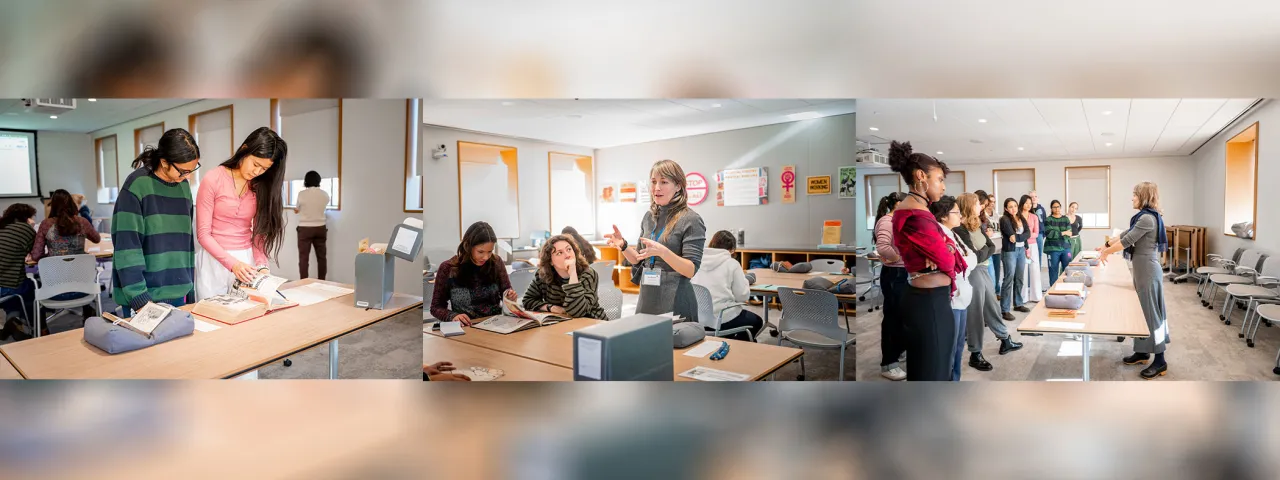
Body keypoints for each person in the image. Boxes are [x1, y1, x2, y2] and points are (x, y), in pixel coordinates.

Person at [888, 141, 965, 381]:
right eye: (940, 179)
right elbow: (948, 259)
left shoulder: (921, 211)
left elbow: (947, 250)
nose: (943, 186)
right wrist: (944, 251)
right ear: (921, 176)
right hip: (928, 302)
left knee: (934, 366)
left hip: (931, 299)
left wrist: (945, 249)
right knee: (932, 371)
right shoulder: (916, 214)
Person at [605, 159, 707, 323]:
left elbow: (690, 270)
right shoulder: (649, 217)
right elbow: (638, 258)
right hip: (648, 296)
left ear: (678, 186)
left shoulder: (691, 219)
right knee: (644, 344)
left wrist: (663, 252)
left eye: (664, 182)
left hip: (676, 298)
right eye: (653, 182)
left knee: (675, 347)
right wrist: (623, 245)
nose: (657, 188)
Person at [112, 128, 201, 316]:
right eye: (184, 171)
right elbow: (127, 247)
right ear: (164, 162)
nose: (189, 176)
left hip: (178, 292)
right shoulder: (137, 185)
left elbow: (185, 242)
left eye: (193, 169)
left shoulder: (183, 186)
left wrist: (189, 289)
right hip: (144, 298)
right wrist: (140, 299)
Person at [195, 127, 288, 301]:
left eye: (264, 169)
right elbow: (203, 234)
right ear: (245, 149)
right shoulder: (213, 178)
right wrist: (233, 265)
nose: (257, 172)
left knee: (246, 317)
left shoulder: (260, 186)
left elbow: (259, 232)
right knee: (212, 318)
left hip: (246, 260)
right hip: (213, 260)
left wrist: (261, 265)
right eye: (255, 164)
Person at [1095, 182, 1169, 379]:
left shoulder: (1147, 218)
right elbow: (1126, 234)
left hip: (1148, 271)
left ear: (1143, 197)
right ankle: (1143, 352)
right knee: (1141, 313)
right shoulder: (1144, 216)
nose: (1132, 198)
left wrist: (1106, 252)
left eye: (1135, 195)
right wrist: (1106, 244)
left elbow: (1128, 241)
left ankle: (1160, 360)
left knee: (1152, 315)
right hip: (1142, 268)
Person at [952, 193, 1021, 371]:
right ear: (968, 206)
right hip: (973, 272)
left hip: (983, 269)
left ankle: (1005, 340)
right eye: (976, 203)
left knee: (992, 306)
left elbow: (991, 246)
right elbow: (973, 256)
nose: (980, 206)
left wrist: (982, 251)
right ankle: (975, 354)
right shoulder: (959, 229)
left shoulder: (977, 224)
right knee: (975, 312)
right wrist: (983, 251)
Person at [31, 189, 104, 317]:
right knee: (80, 270)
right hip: (84, 289)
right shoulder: (82, 222)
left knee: (34, 284)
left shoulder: (45, 225)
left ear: (53, 205)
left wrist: (51, 258)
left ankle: (42, 329)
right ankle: (88, 314)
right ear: (71, 203)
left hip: (53, 290)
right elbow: (96, 239)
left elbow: (36, 255)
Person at [430, 221, 517, 325]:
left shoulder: (496, 262)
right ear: (468, 247)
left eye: (490, 252)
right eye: (480, 252)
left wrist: (510, 297)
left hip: (495, 326)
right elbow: (436, 307)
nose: (486, 257)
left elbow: (506, 293)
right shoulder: (448, 268)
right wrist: (452, 316)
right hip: (466, 328)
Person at [691, 230, 764, 342]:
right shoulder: (732, 264)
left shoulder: (697, 261)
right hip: (722, 319)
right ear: (732, 249)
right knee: (757, 321)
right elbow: (742, 296)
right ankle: (734, 344)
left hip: (699, 318)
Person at [930, 196, 973, 381]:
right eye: (956, 212)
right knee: (950, 345)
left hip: (962, 296)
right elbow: (959, 264)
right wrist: (966, 262)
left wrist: (966, 262)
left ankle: (955, 379)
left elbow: (972, 257)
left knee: (959, 345)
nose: (960, 215)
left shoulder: (953, 233)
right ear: (944, 215)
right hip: (953, 297)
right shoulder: (940, 235)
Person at [522, 234, 607, 320]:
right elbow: (527, 301)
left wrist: (573, 273)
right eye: (559, 253)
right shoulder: (543, 275)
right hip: (564, 324)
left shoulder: (587, 274)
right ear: (550, 261)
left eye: (569, 249)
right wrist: (549, 307)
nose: (567, 255)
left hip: (593, 324)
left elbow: (577, 312)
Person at [874, 192, 908, 381]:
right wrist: (897, 259)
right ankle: (888, 363)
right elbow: (883, 247)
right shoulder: (887, 221)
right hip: (895, 274)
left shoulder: (898, 219)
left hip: (901, 273)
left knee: (901, 317)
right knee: (892, 320)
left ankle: (898, 350)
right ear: (897, 203)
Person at [0, 204, 38, 339]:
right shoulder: (25, 229)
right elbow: (36, 254)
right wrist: (31, 228)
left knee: (14, 286)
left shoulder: (2, 226)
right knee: (33, 287)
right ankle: (35, 325)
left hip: (3, 286)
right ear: (27, 217)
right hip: (7, 288)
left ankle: (12, 322)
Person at [998, 197, 1031, 320]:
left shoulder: (1021, 217)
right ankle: (1005, 309)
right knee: (1009, 278)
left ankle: (1018, 303)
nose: (1013, 209)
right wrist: (1019, 236)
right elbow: (1012, 237)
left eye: (1015, 206)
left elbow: (1028, 233)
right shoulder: (1004, 219)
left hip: (1021, 250)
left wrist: (1019, 237)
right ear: (1006, 208)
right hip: (1010, 251)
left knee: (1020, 278)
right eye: (1010, 207)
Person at [293, 170, 330, 280]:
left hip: (305, 229)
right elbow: (323, 206)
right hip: (321, 228)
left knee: (304, 258)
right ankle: (322, 281)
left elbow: (297, 209)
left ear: (306, 181)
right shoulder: (325, 194)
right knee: (322, 258)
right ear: (319, 181)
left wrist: (298, 210)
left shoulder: (301, 194)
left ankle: (304, 283)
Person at [975, 190, 1001, 293]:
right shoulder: (972, 218)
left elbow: (988, 228)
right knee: (989, 280)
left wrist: (988, 231)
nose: (991, 204)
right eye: (984, 204)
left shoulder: (986, 216)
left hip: (991, 247)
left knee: (993, 277)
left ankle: (995, 293)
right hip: (981, 251)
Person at [1019, 194, 1044, 303]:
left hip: (1033, 245)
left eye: (1030, 203)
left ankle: (1036, 296)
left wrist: (1025, 235)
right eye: (1026, 203)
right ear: (1022, 203)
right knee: (1022, 270)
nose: (1028, 205)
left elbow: (1036, 233)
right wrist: (1026, 235)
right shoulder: (1017, 216)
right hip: (1021, 246)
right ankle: (1023, 297)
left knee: (1034, 269)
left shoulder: (1034, 217)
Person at [1042, 200, 1074, 286]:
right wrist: (1063, 233)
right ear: (1051, 209)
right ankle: (1053, 290)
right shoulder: (1048, 220)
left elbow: (1069, 234)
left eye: (1058, 207)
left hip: (1066, 248)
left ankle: (1067, 288)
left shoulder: (1065, 219)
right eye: (1054, 207)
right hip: (1052, 249)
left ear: (1060, 207)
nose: (1057, 209)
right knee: (1053, 271)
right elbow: (1050, 234)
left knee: (1067, 270)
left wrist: (1058, 233)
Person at [1030, 190, 1048, 265]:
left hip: (1039, 234)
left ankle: (1038, 270)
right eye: (1031, 197)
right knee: (1030, 253)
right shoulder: (1027, 209)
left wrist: (1043, 234)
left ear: (1038, 198)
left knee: (1039, 253)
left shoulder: (1042, 209)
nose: (1033, 198)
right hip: (1029, 235)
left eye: (1035, 196)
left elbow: (1044, 221)